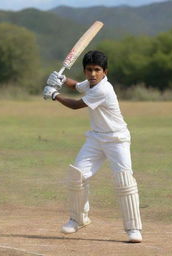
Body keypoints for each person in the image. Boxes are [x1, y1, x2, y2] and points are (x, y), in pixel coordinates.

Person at [43, 50, 142, 243]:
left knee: (124, 182)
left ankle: (133, 229)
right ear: (85, 71)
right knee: (76, 175)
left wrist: (54, 94)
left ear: (105, 71)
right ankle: (78, 219)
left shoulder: (103, 89)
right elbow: (77, 86)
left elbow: (75, 104)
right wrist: (63, 80)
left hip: (117, 139)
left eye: (97, 70)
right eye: (89, 70)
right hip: (96, 139)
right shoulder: (90, 83)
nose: (93, 74)